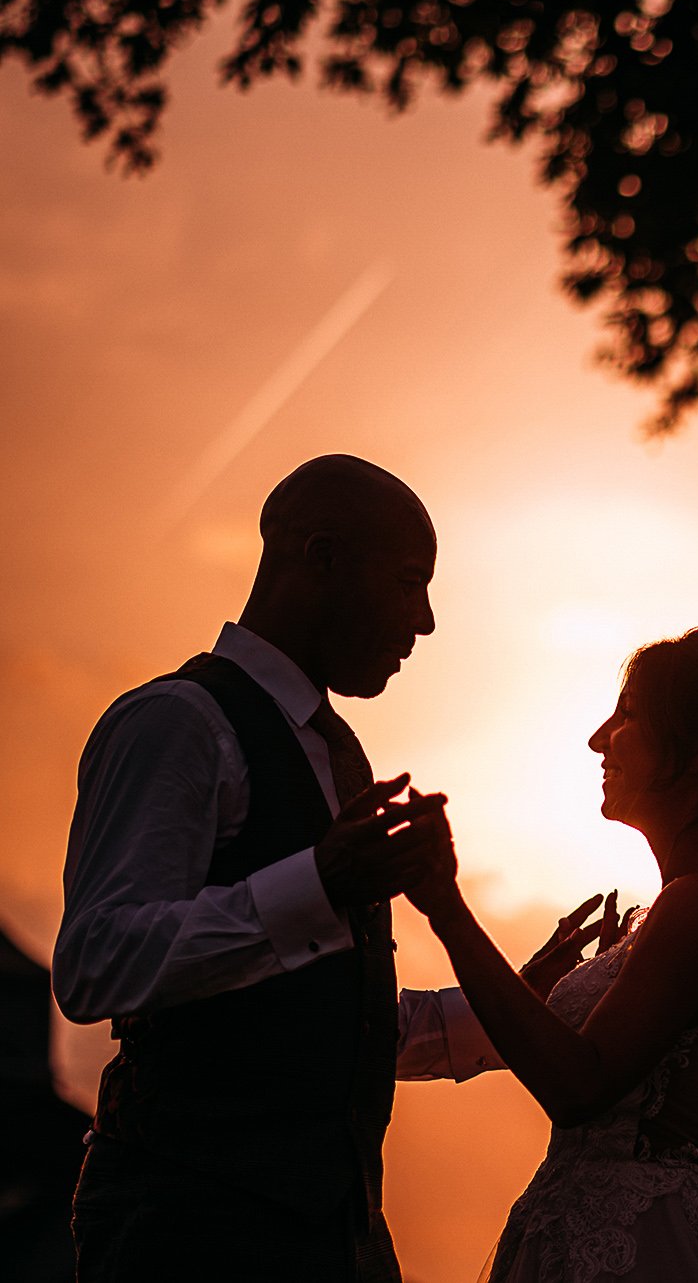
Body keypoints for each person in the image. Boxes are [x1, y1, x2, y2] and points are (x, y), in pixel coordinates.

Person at [54, 455, 589, 1282]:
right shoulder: (176, 723)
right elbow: (96, 964)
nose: (427, 620)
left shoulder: (336, 751)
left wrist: (510, 1000)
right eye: (411, 581)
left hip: (337, 1241)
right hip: (188, 1234)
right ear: (322, 555)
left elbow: (324, 1019)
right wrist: (319, 882)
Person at [405, 624, 698, 1282]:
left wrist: (448, 909)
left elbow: (579, 1084)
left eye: (627, 715)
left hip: (637, 1252)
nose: (600, 738)